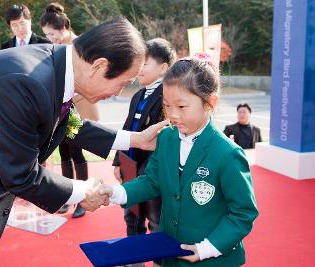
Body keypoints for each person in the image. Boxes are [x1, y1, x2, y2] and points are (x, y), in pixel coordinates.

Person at [0, 18, 168, 266]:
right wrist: (84, 190)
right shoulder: (25, 81)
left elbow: (70, 125)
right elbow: (22, 176)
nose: (118, 93)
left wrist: (136, 139)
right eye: (123, 83)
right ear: (99, 66)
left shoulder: (55, 66)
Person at [102, 54, 259, 267]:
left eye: (182, 106)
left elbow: (243, 213)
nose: (173, 115)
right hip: (170, 252)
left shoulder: (228, 154)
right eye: (167, 106)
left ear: (210, 103)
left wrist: (206, 248)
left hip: (211, 260)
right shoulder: (167, 138)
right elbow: (151, 180)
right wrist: (117, 193)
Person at [112, 38, 175, 267]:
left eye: (145, 63)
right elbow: (127, 128)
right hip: (131, 167)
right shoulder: (138, 95)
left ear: (163, 68)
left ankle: (160, 263)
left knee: (156, 219)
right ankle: (134, 261)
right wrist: (118, 162)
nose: (139, 69)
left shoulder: (169, 97)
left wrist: (147, 173)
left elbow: (164, 140)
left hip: (152, 173)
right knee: (132, 216)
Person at [40, 2, 100, 218]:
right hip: (60, 107)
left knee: (76, 151)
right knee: (63, 150)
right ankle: (68, 197)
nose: (50, 38)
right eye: (47, 35)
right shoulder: (56, 47)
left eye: (53, 33)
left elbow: (90, 79)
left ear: (64, 28)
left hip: (76, 106)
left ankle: (84, 198)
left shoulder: (79, 45)